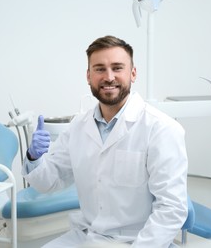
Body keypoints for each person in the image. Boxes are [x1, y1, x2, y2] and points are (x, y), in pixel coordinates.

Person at [22, 35, 188, 248]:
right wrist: (34, 157)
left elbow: (171, 208)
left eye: (117, 68)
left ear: (133, 73)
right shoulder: (78, 127)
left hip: (139, 240)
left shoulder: (161, 129)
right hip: (88, 235)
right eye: (99, 69)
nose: (109, 77)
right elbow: (49, 182)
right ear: (88, 76)